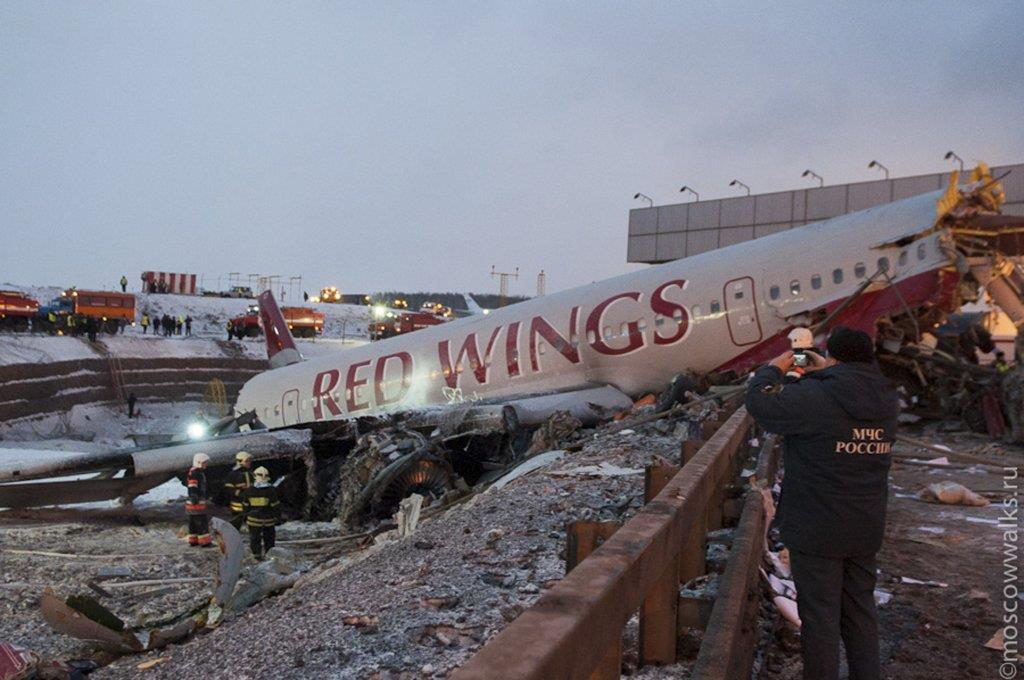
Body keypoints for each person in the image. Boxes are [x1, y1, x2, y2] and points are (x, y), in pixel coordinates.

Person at [745, 326, 898, 680]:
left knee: (820, 617)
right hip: (865, 524)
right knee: (860, 613)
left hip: (817, 525)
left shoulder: (816, 396)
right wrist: (824, 374)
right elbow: (843, 407)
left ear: (835, 358)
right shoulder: (886, 397)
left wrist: (774, 368)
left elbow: (760, 404)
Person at [243, 467, 280, 559]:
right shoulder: (271, 490)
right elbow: (275, 505)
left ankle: (257, 556)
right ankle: (270, 555)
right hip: (268, 520)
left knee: (255, 538)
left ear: (255, 476)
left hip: (253, 520)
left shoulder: (249, 490)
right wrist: (278, 517)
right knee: (269, 539)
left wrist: (245, 517)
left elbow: (245, 506)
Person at [185, 453, 213, 547]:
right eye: (205, 462)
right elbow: (192, 486)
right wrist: (195, 497)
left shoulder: (195, 472)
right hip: (196, 503)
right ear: (199, 462)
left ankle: (193, 540)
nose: (206, 464)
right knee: (202, 522)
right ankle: (205, 542)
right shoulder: (196, 473)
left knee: (193, 523)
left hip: (193, 503)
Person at [224, 451, 254, 530]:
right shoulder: (233, 474)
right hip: (237, 504)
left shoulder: (250, 473)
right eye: (247, 461)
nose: (249, 462)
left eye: (250, 460)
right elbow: (228, 489)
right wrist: (240, 494)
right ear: (240, 461)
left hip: (249, 503)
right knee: (236, 524)